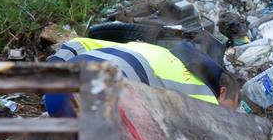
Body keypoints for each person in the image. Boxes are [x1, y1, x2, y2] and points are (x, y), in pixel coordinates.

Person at [43, 37, 235, 117]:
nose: (224, 117)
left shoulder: (150, 48)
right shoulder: (205, 98)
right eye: (228, 112)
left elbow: (77, 43)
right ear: (222, 92)